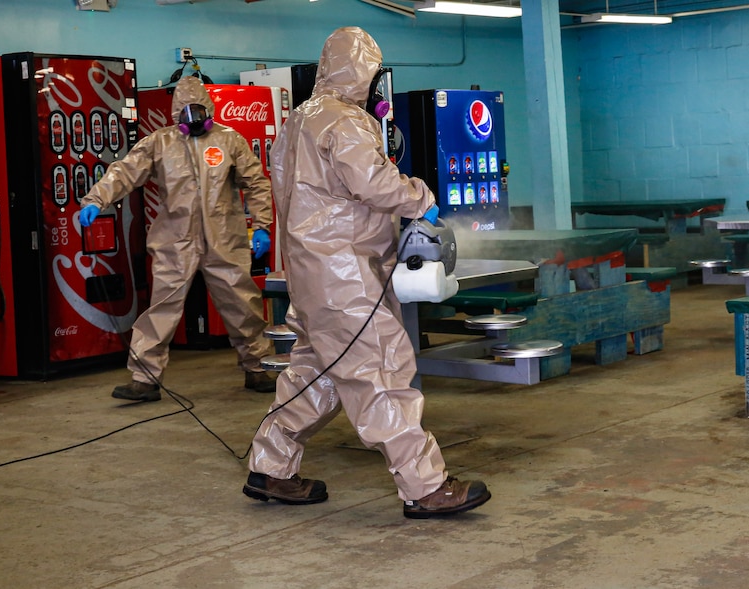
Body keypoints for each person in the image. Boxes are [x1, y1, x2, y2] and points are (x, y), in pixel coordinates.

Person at [243, 27, 491, 519]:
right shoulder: (344, 121)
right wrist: (422, 197)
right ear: (360, 72)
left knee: (315, 374)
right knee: (381, 373)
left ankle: (270, 468)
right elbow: (372, 183)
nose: (376, 84)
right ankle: (425, 487)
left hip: (310, 276)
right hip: (346, 274)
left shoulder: (296, 122)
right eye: (374, 74)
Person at [79, 76, 277, 401]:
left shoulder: (229, 141)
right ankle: (144, 379)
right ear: (176, 114)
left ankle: (257, 368)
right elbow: (125, 171)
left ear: (209, 108)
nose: (193, 118)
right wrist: (95, 200)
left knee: (242, 304)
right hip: (175, 241)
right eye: (186, 112)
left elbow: (256, 182)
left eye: (198, 110)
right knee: (161, 309)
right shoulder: (160, 143)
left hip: (224, 238)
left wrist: (263, 225)